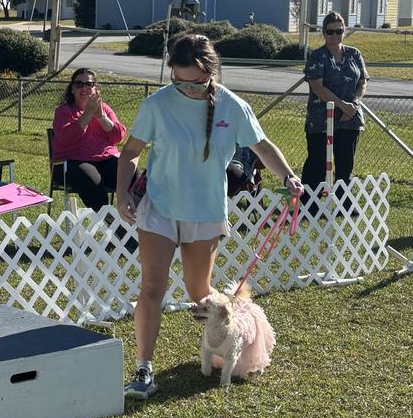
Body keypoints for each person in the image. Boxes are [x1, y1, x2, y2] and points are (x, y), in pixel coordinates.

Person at [116, 34, 303, 399]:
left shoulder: (232, 106)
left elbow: (261, 146)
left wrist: (288, 176)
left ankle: (242, 333)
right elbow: (130, 152)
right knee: (152, 287)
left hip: (204, 211)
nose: (187, 89)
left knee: (200, 294)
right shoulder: (157, 103)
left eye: (196, 82)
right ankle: (143, 369)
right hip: (159, 208)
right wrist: (122, 192)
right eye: (179, 81)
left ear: (212, 74)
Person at [301, 11, 368, 210]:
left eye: (339, 31)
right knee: (317, 163)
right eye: (330, 32)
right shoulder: (318, 56)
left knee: (345, 165)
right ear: (324, 32)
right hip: (321, 120)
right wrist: (342, 105)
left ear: (344, 31)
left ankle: (344, 204)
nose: (335, 36)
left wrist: (354, 104)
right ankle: (308, 205)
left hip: (350, 119)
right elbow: (317, 87)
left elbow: (362, 82)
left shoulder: (354, 54)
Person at [52, 68, 127, 211]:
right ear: (72, 89)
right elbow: (67, 138)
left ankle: (137, 221)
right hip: (72, 162)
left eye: (89, 84)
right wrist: (88, 113)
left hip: (105, 159)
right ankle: (114, 225)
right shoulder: (63, 111)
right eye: (79, 84)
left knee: (130, 172)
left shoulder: (104, 108)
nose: (84, 88)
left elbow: (118, 137)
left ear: (95, 89)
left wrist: (101, 116)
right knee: (91, 180)